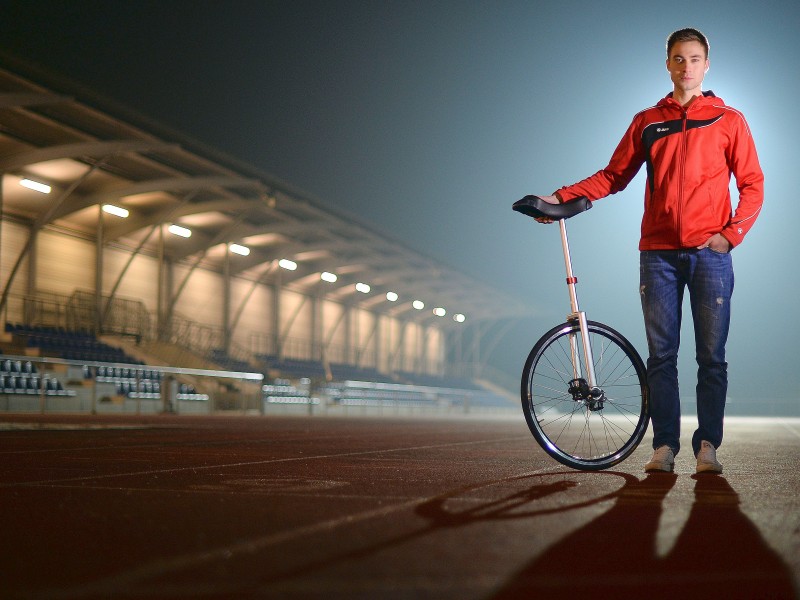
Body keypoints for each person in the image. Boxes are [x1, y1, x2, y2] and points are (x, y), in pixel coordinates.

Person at [536, 28, 764, 474]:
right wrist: (562, 200)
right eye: (679, 59)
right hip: (657, 254)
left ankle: (707, 447)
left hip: (710, 255)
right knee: (661, 356)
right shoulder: (648, 120)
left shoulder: (728, 119)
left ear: (707, 64)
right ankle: (664, 446)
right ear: (668, 64)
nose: (687, 67)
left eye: (695, 59)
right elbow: (612, 176)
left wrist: (730, 235)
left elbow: (753, 184)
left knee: (711, 358)